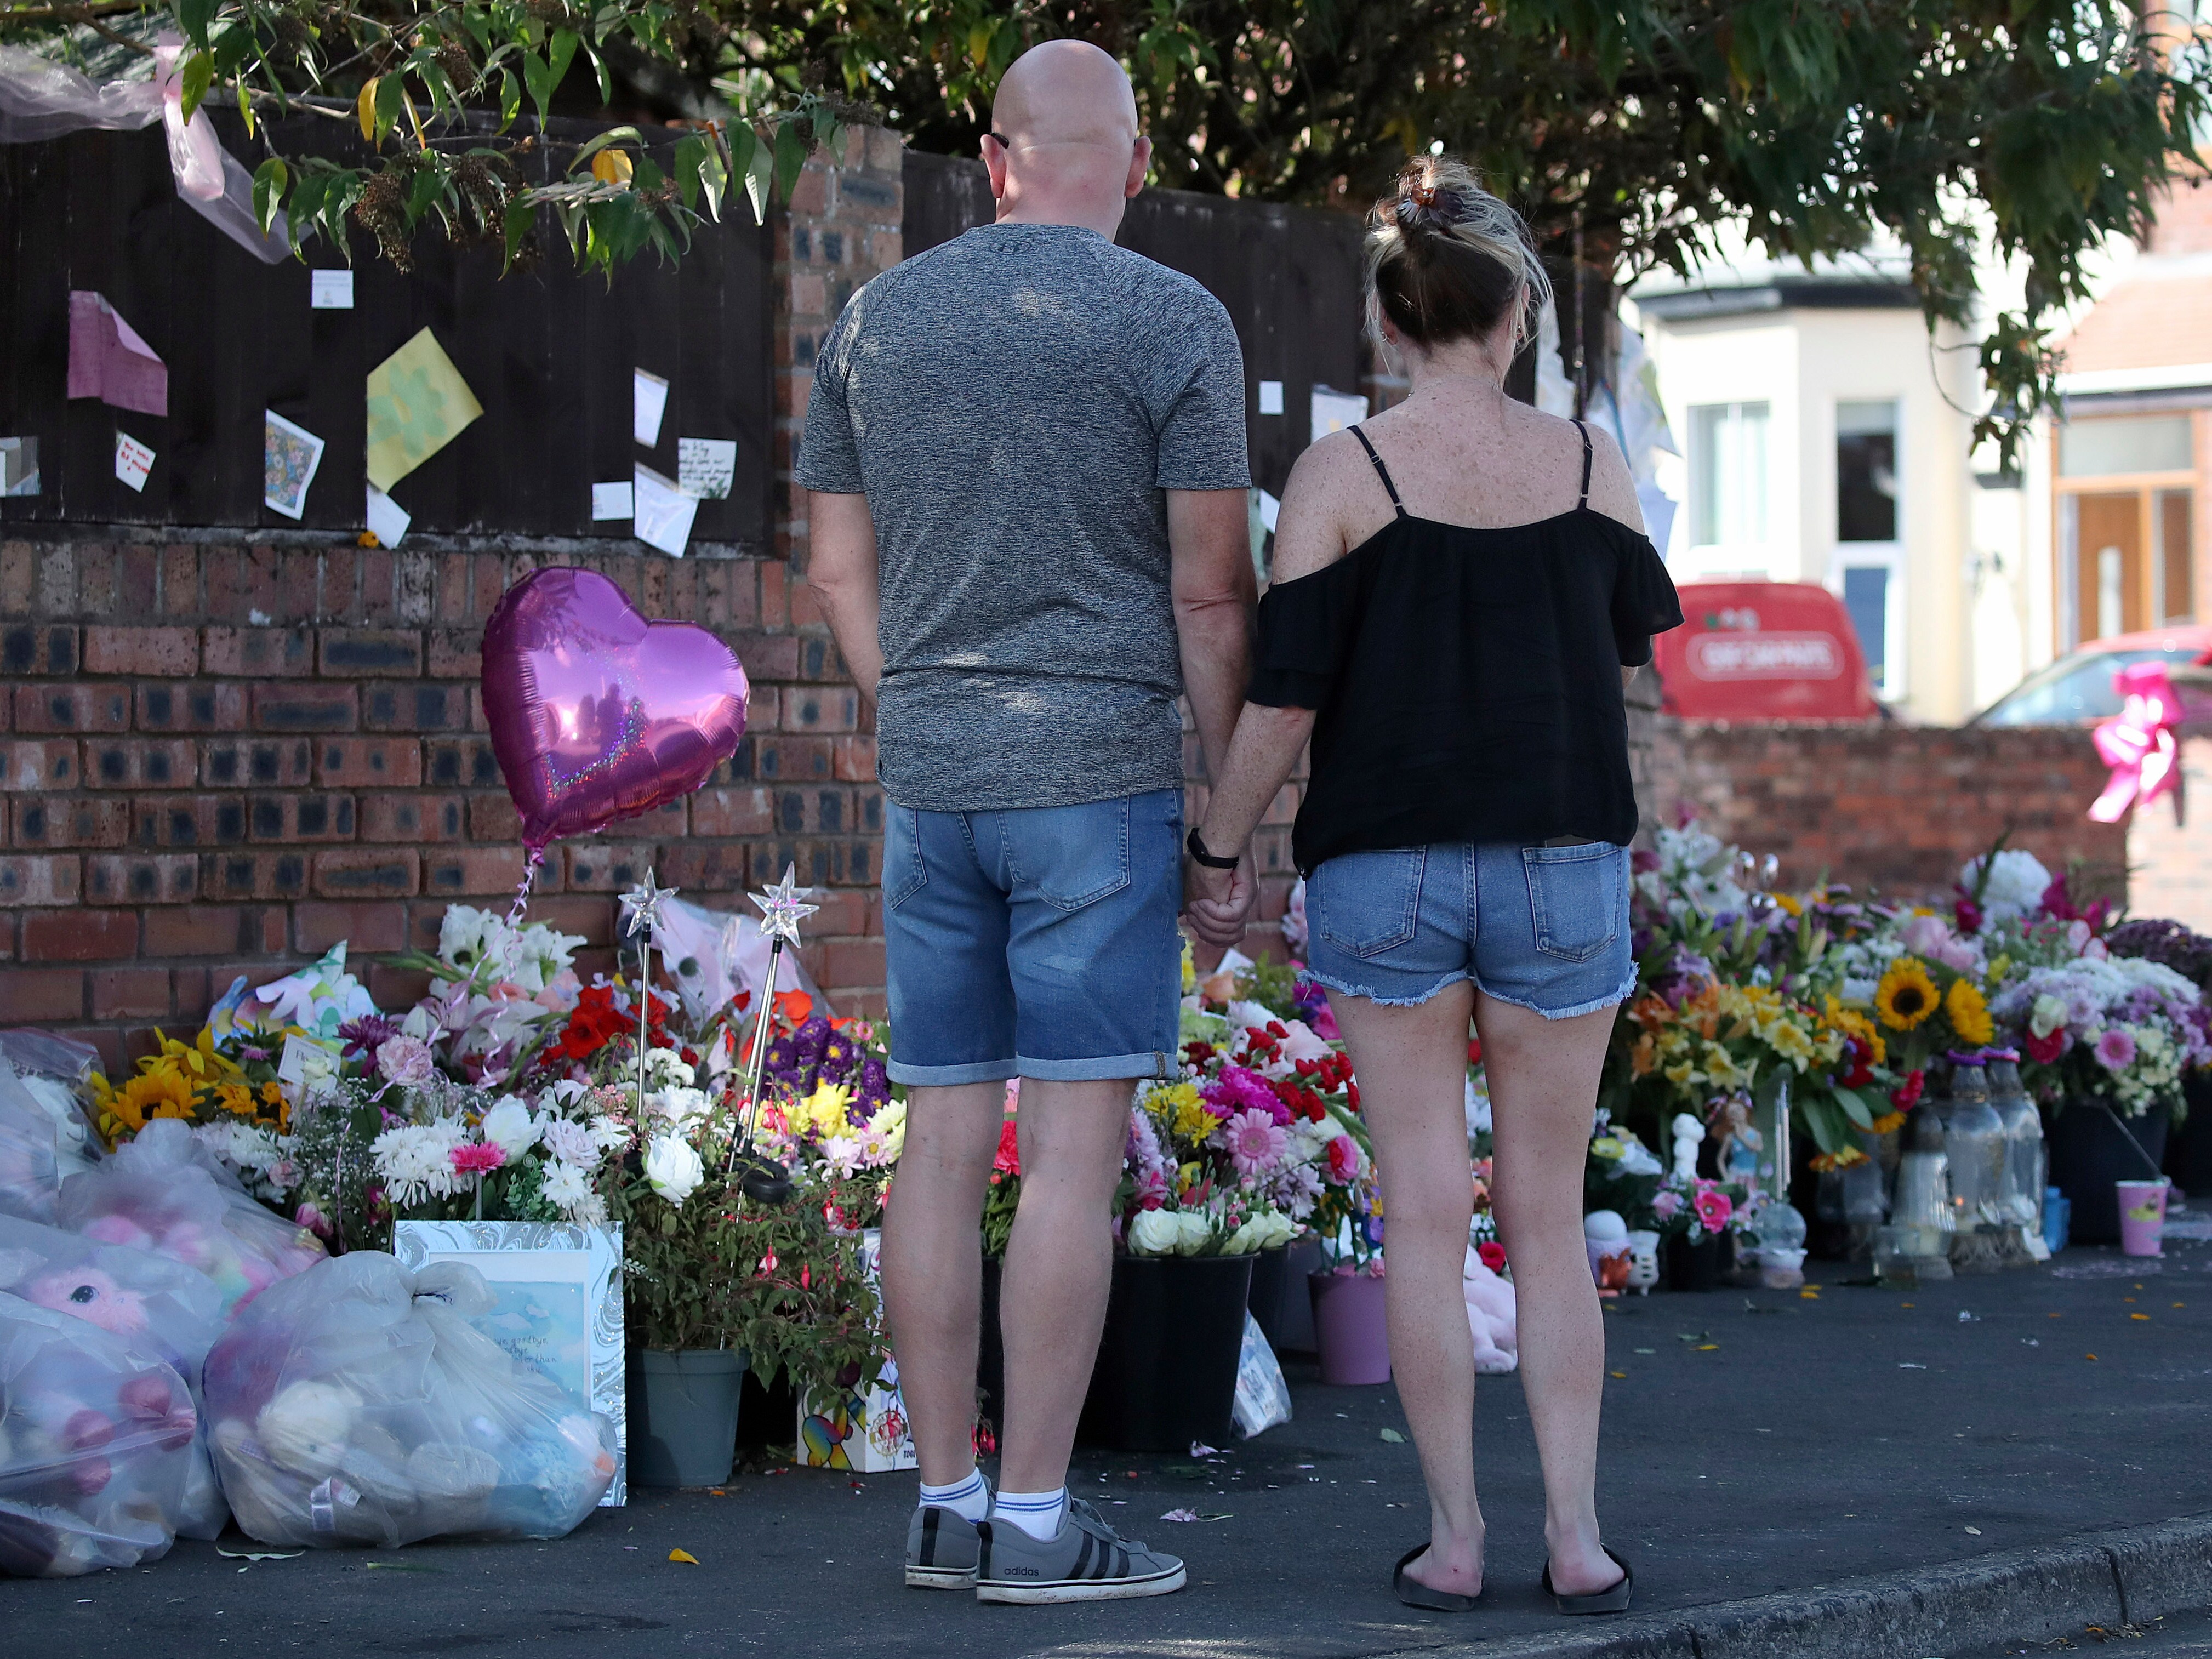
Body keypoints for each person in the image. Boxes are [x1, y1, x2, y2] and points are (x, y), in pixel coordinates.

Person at [1183, 156, 1681, 1617]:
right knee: (1544, 1209)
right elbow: (1626, 670)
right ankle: (1577, 1536)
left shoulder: (1342, 474)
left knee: (1416, 1208)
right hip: (1559, 858)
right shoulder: (1594, 465)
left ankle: (1454, 1537)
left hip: (1383, 863)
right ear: (1513, 307)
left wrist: (1218, 850)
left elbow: (1279, 705)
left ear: (1388, 326)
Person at [797, 39, 1256, 1606]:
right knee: (1067, 1155)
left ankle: (941, 1502)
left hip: (933, 779)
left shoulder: (873, 317)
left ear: (993, 159)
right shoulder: (1174, 321)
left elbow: (836, 572)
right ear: (1128, 160)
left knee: (936, 1141)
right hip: (1098, 782)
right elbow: (1209, 589)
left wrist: (909, 702)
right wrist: (1231, 806)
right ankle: (1037, 1522)